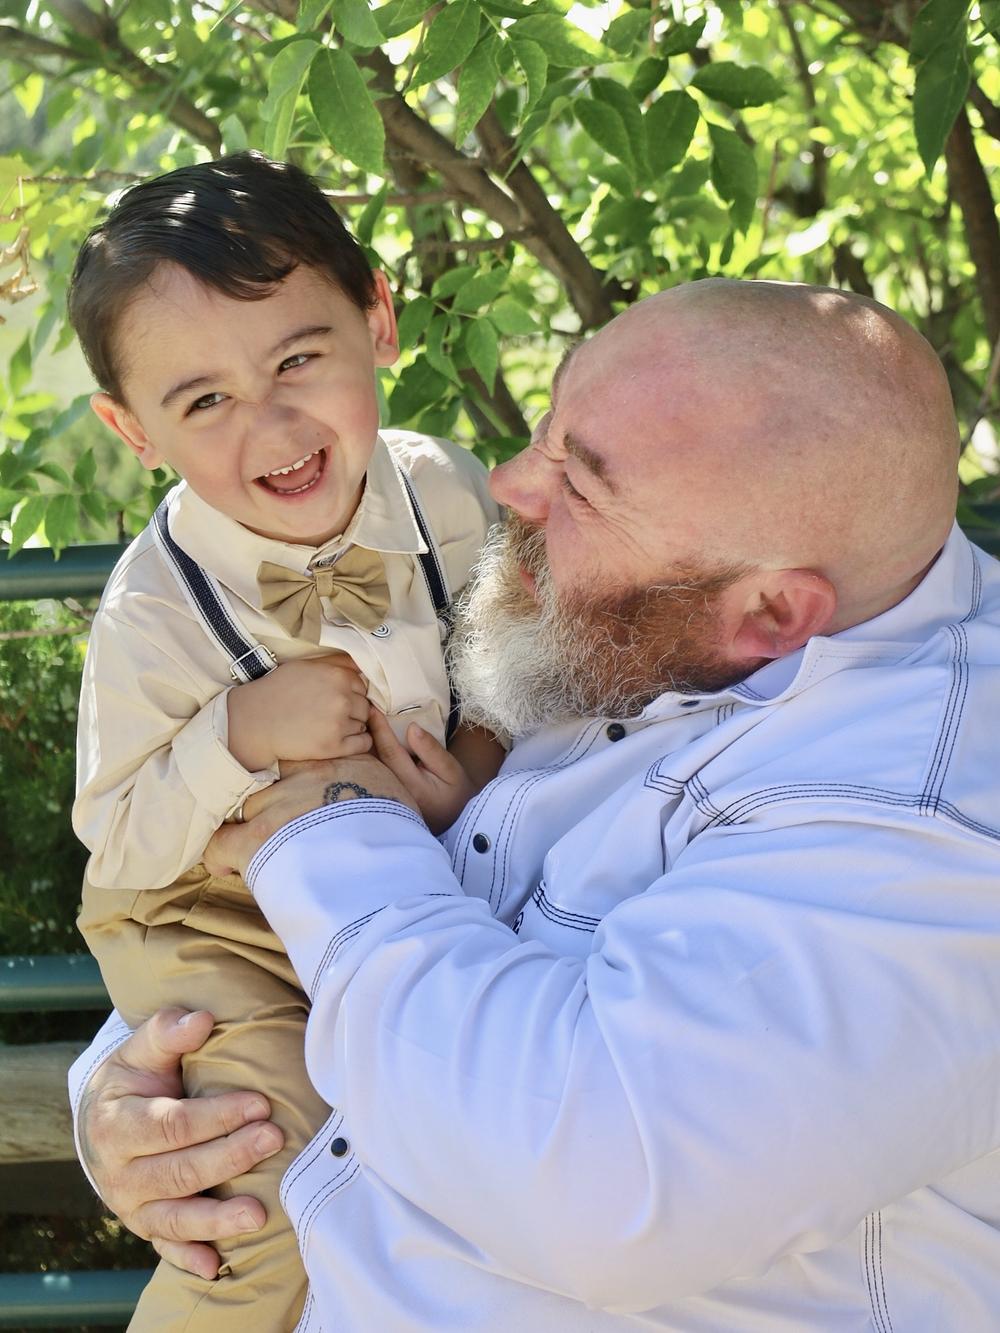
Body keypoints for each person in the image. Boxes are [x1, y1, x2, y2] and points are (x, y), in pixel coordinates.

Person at [72, 279, 1000, 1330]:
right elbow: (379, 946)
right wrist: (136, 1096)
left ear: (773, 611)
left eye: (582, 486)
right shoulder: (633, 633)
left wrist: (330, 828)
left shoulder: (932, 823)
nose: (512, 485)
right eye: (548, 428)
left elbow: (604, 1185)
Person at [68, 152, 500, 1331]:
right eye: (202, 401)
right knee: (260, 1181)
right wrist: (236, 732)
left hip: (408, 868)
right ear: (133, 428)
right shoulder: (154, 612)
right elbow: (121, 841)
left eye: (298, 359)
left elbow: (509, 677)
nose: (269, 424)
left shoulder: (446, 495)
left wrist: (471, 778)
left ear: (378, 318)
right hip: (213, 912)